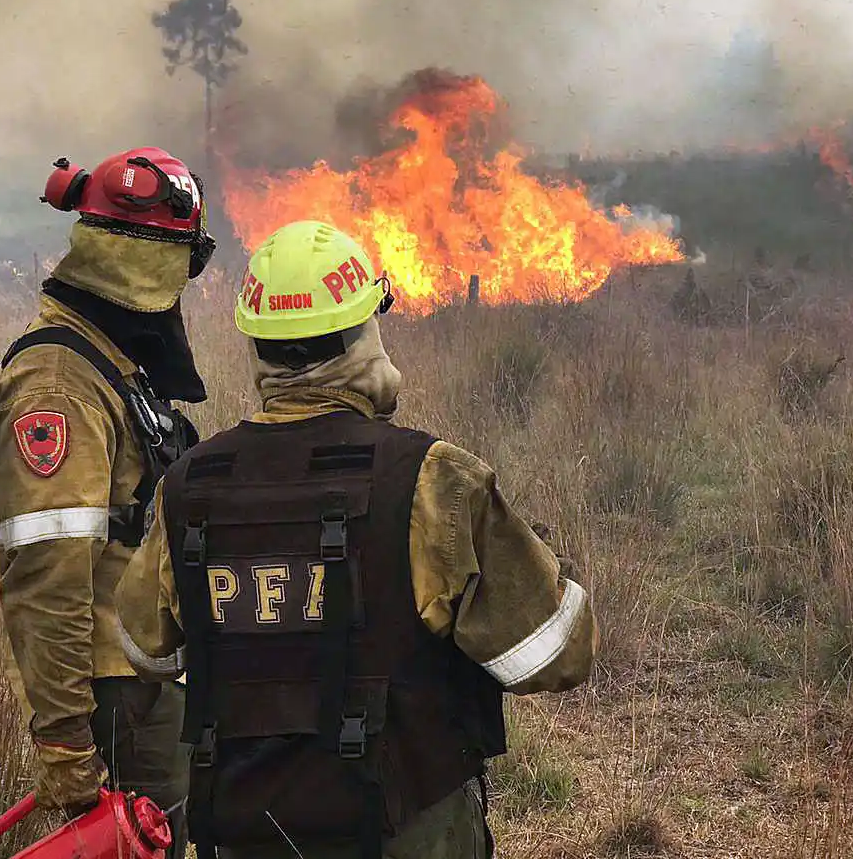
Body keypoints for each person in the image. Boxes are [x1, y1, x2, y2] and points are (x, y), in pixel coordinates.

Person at [114, 220, 597, 859]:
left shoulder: (189, 487)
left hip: (245, 826)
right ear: (360, 335)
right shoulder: (431, 479)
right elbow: (550, 656)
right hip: (406, 828)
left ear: (256, 344)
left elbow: (146, 651)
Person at [0, 148, 216, 852]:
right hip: (112, 697)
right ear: (146, 260)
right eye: (182, 262)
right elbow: (48, 576)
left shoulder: (108, 363)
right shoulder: (58, 386)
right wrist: (65, 745)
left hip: (143, 679)